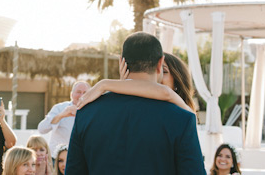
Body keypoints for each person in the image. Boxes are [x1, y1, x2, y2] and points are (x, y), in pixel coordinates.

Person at [65, 32, 206, 174]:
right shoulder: (181, 119)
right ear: (159, 64)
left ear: (121, 62)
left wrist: (105, 84)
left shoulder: (86, 113)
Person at [77, 52, 196, 112]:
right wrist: (124, 86)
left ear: (178, 81)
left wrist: (104, 84)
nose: (156, 77)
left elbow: (166, 93)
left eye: (163, 71)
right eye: (153, 71)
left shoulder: (185, 114)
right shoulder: (132, 108)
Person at [37, 81, 90, 159]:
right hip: (57, 158)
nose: (81, 96)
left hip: (81, 158)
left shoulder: (93, 112)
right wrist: (61, 115)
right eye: (78, 92)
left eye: (85, 92)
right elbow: (42, 129)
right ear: (71, 94)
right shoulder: (59, 108)